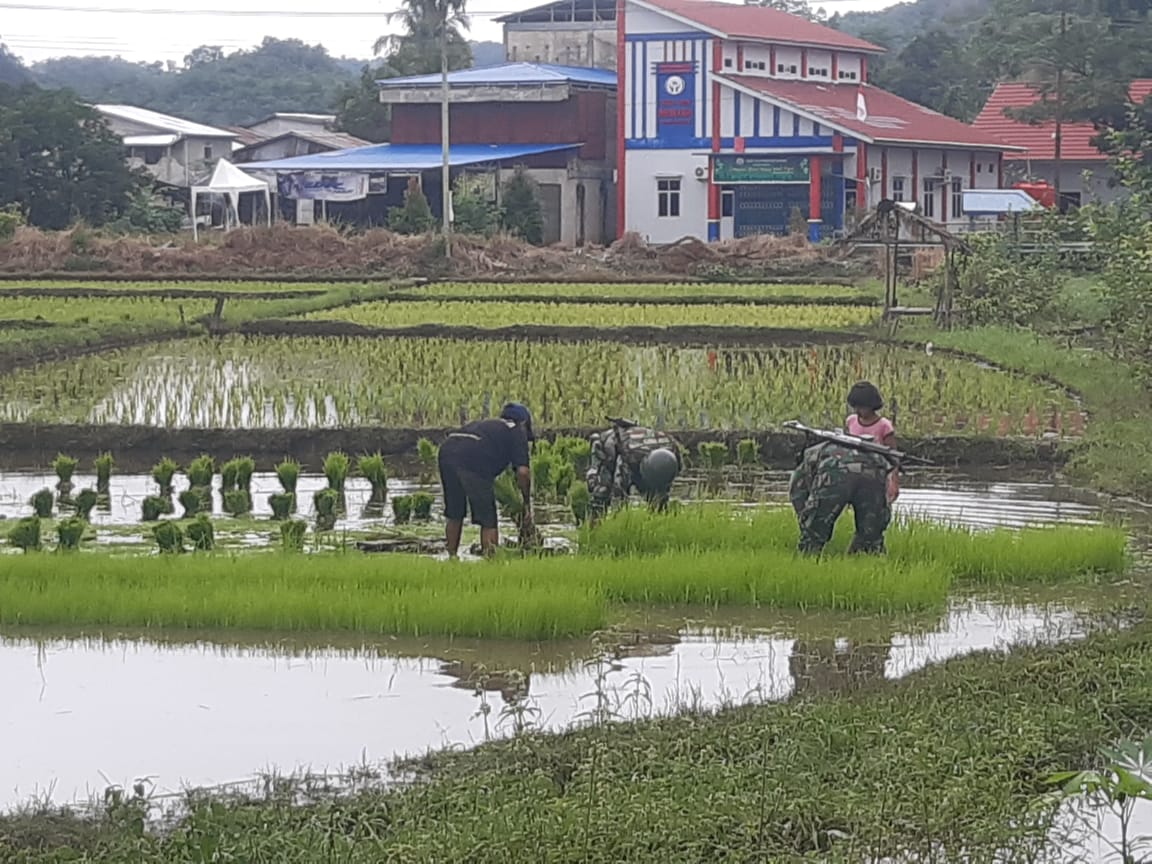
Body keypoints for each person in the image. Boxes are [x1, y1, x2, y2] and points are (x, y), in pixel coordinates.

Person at [437, 402, 534, 558]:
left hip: (447, 450)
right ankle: (491, 561)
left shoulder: (488, 425)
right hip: (473, 456)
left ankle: (451, 557)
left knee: (455, 512)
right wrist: (526, 501)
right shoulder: (517, 430)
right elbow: (523, 472)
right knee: (488, 518)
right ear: (524, 422)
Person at [789, 435, 892, 555]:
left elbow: (797, 496)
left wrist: (807, 525)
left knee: (814, 532)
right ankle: (866, 555)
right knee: (871, 533)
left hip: (836, 470)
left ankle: (809, 557)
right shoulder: (829, 449)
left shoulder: (808, 458)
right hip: (875, 466)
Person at [587, 419, 682, 519]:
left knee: (659, 502)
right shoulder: (628, 457)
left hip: (637, 451)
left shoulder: (671, 449)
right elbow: (619, 489)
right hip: (609, 449)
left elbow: (669, 482)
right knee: (602, 492)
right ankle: (594, 523)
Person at [845, 380, 900, 503]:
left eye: (862, 407)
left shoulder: (884, 426)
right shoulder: (851, 421)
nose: (858, 411)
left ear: (871, 406)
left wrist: (894, 482)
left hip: (877, 475)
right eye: (855, 407)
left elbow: (893, 457)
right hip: (855, 473)